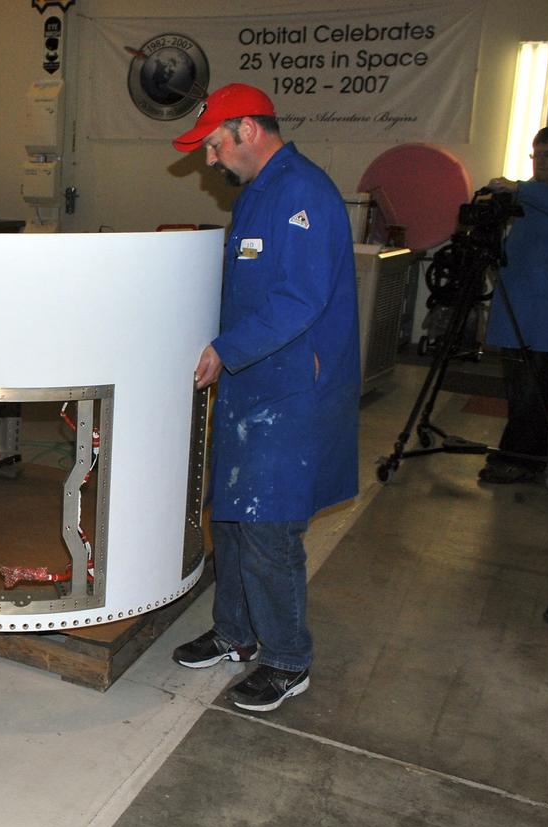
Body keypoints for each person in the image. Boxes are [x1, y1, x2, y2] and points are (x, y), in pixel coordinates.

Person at [167, 84, 360, 711]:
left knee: (268, 527)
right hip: (252, 386)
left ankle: (287, 658)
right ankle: (236, 633)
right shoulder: (256, 194)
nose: (210, 160)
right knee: (230, 517)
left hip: (290, 390)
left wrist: (226, 350)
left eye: (214, 145)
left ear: (247, 130)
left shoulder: (303, 193)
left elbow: (299, 300)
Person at [477, 125, 548, 487]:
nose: (540, 163)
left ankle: (521, 460)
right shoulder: (531, 195)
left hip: (544, 314)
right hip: (517, 307)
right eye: (536, 155)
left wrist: (517, 187)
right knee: (518, 390)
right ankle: (523, 455)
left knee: (531, 390)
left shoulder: (539, 194)